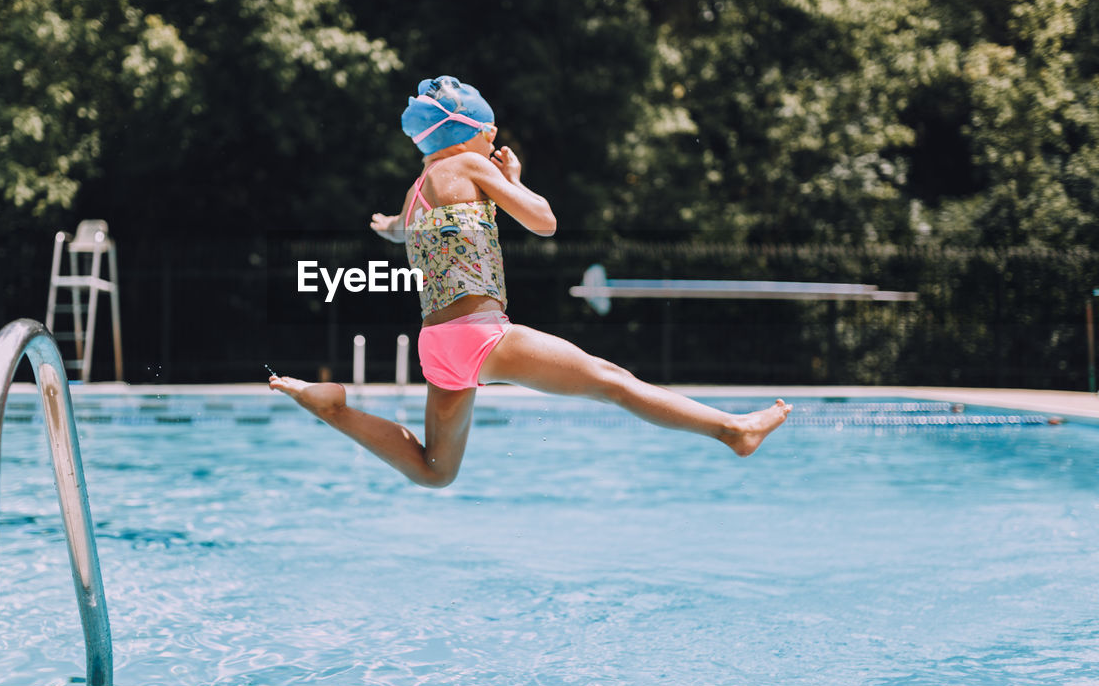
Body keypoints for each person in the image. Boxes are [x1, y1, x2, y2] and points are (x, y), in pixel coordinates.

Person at [269, 75, 790, 487]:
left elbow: (398, 231)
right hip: (481, 333)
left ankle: (335, 410)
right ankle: (733, 430)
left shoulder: (417, 190)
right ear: (464, 131)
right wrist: (513, 182)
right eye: (486, 128)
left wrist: (387, 226)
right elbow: (544, 221)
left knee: (435, 470)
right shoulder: (470, 165)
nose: (492, 137)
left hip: (439, 345)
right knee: (613, 381)